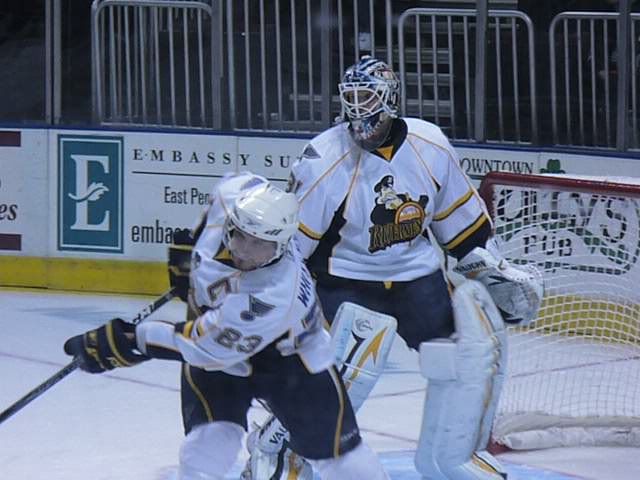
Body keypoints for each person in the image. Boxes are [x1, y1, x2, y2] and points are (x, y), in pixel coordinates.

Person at [243, 56, 544, 480]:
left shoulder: (430, 144)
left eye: (366, 97)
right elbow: (297, 245)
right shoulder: (323, 157)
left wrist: (489, 269)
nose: (357, 109)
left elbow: (461, 227)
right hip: (344, 280)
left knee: (467, 355)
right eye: (350, 99)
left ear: (389, 98)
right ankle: (281, 449)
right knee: (343, 367)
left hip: (416, 278)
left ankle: (452, 457)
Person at [63, 171, 390, 480]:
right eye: (241, 237)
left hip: (291, 363)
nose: (244, 252)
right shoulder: (234, 194)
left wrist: (128, 341)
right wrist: (189, 254)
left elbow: (202, 348)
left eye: (259, 245)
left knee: (341, 458)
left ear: (281, 245)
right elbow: (224, 196)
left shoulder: (272, 296)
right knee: (207, 447)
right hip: (223, 350)